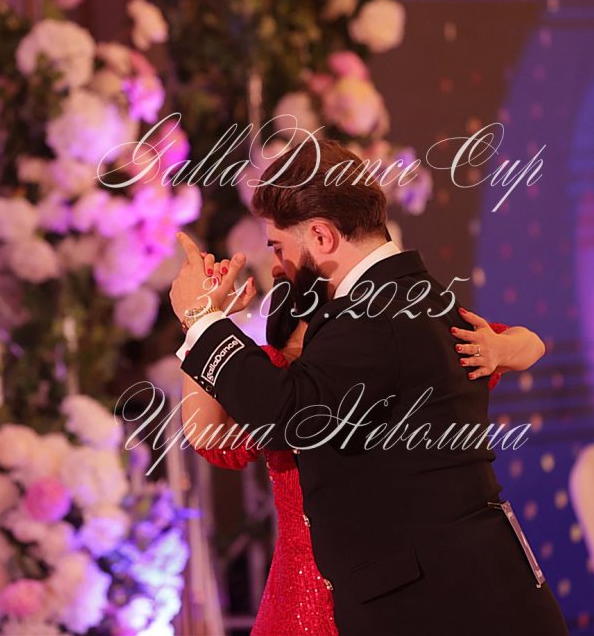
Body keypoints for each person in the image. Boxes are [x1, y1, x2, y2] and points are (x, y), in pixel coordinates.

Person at [169, 140, 568, 635]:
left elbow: (287, 414)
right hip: (469, 598)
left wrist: (201, 318)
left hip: (447, 609)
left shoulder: (373, 313)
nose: (276, 265)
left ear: (321, 236)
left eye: (278, 246)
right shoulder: (411, 299)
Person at [182, 265, 545, 635]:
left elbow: (530, 344)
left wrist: (498, 348)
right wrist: (201, 320)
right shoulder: (274, 376)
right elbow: (207, 435)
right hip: (302, 595)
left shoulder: (392, 345)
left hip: (393, 581)